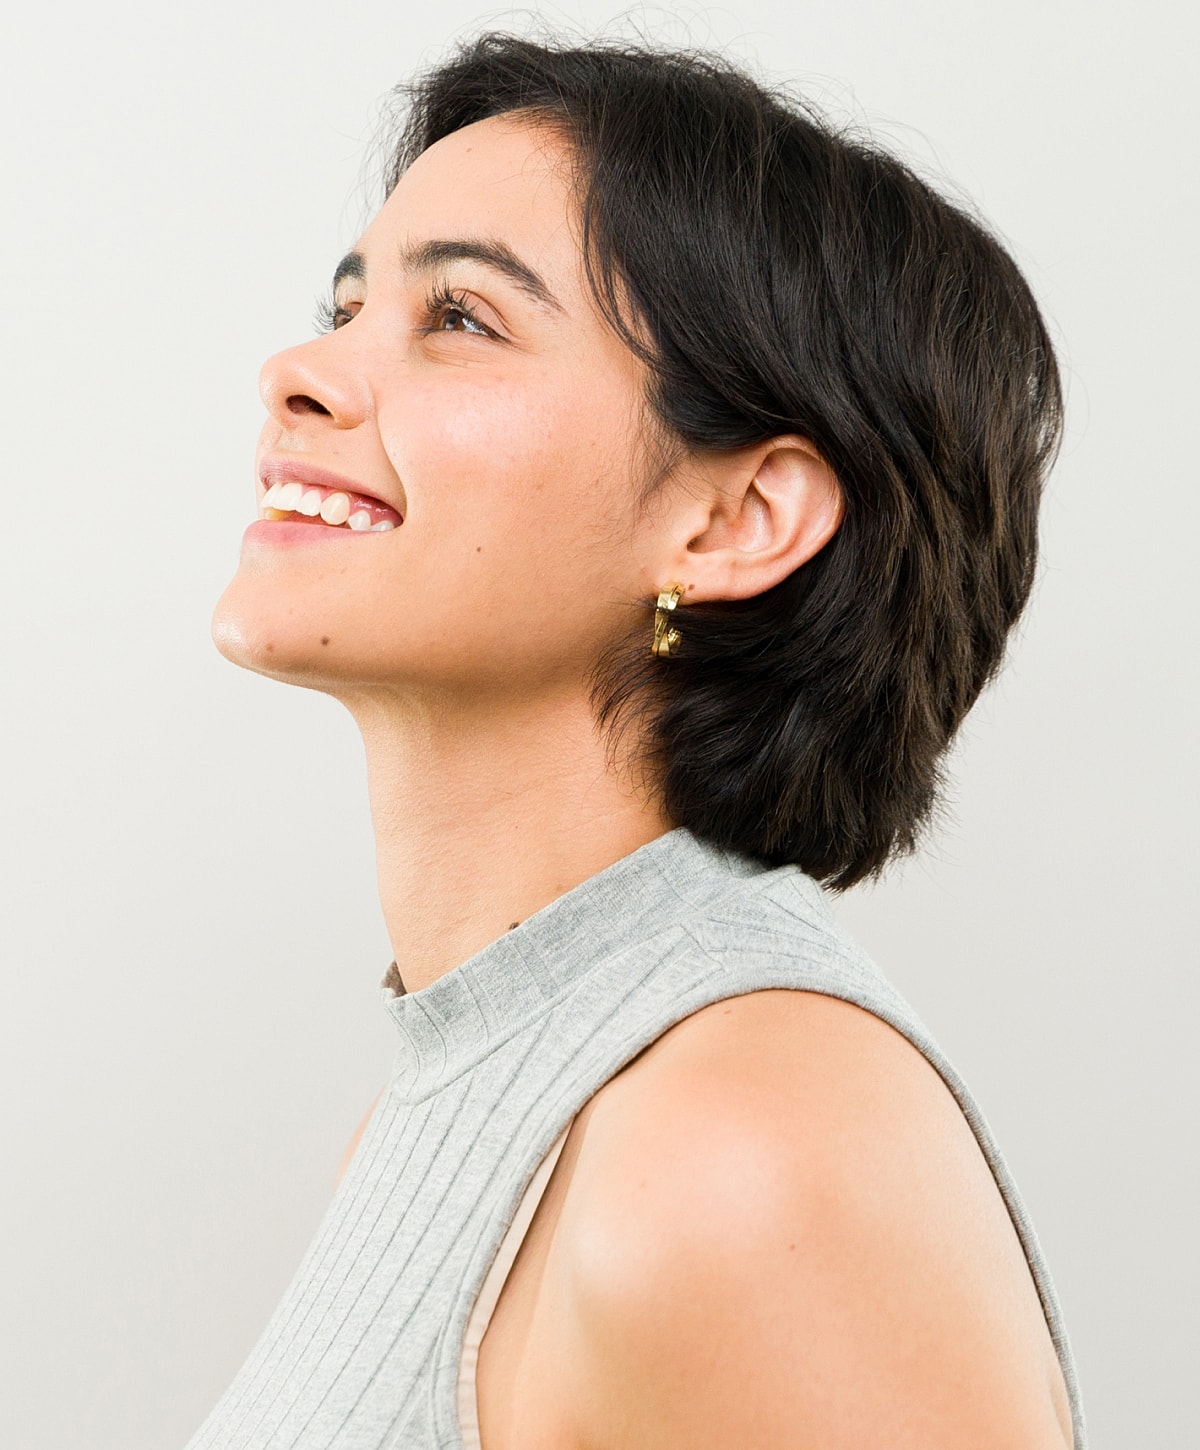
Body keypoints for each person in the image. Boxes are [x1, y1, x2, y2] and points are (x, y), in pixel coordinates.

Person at [192, 32, 1084, 1450]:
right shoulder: (475, 1107)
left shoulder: (734, 1145)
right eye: (347, 307)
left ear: (735, 521)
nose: (297, 372)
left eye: (461, 317)